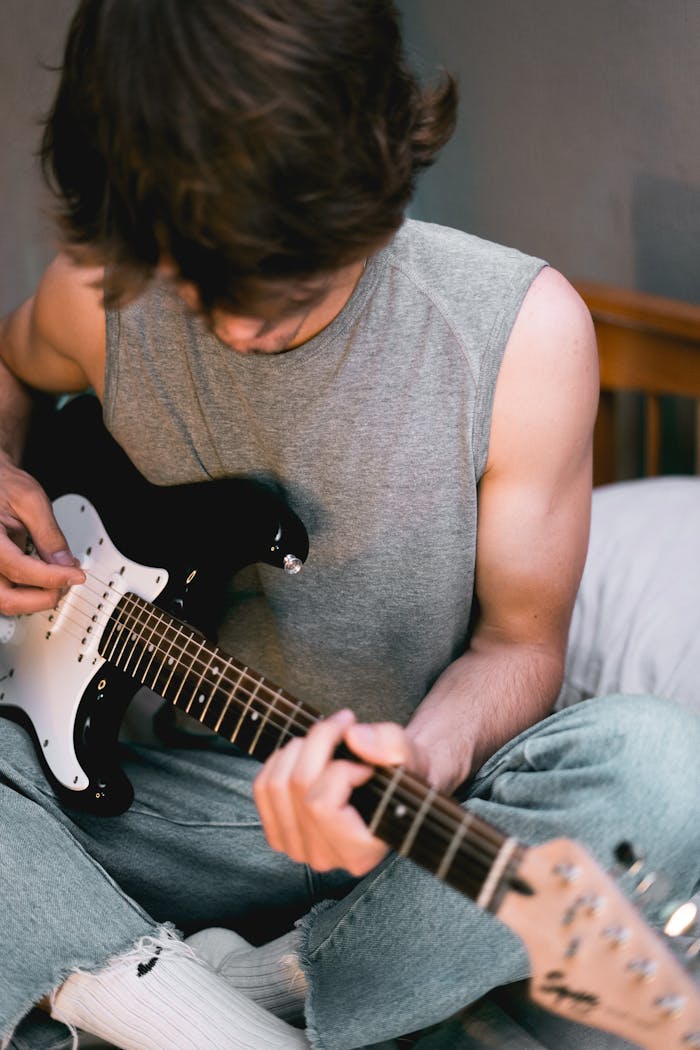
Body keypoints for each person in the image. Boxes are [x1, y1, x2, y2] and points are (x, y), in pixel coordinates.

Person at [0, 2, 698, 1049]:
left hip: (411, 824)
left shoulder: (519, 337)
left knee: (659, 769)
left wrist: (419, 756)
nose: (238, 324)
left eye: (286, 280)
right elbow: (11, 368)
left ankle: (226, 992)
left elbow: (522, 644)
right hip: (176, 809)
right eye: (197, 283)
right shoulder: (95, 296)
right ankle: (243, 1015)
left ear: (374, 164)